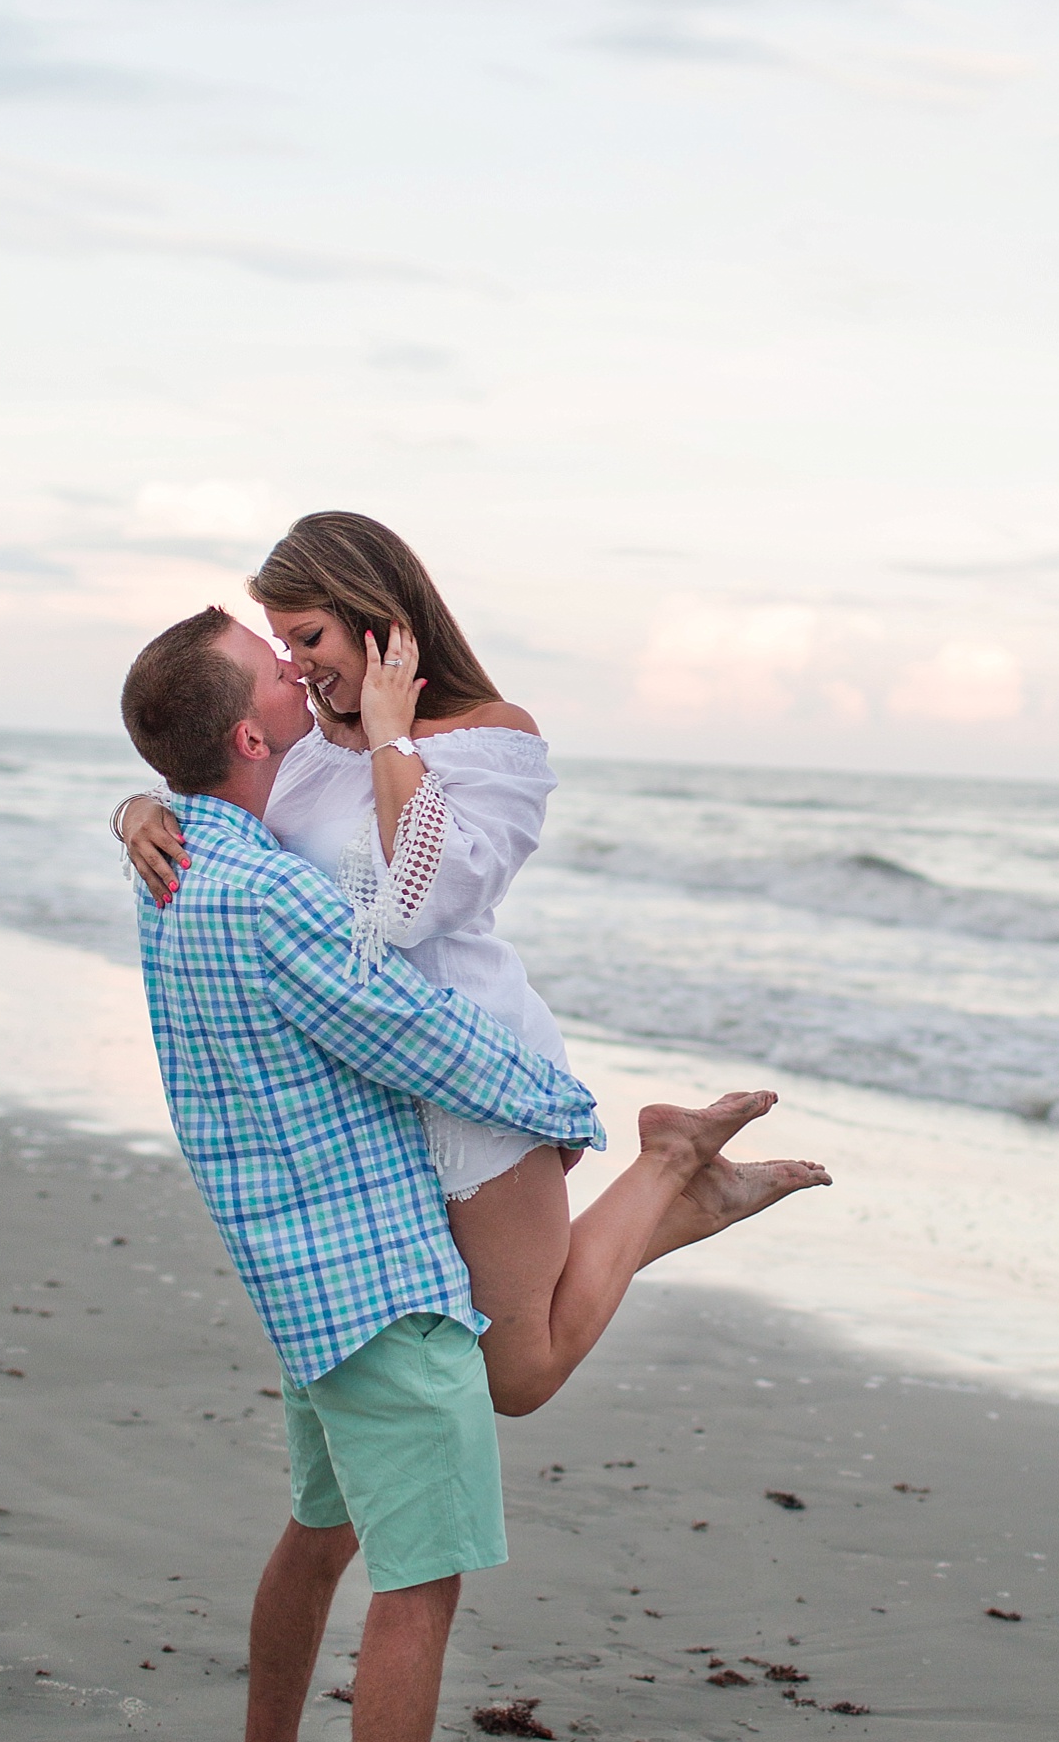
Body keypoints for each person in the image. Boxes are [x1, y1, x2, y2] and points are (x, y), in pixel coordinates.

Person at [119, 602, 806, 1742]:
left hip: (303, 1280)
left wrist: (142, 799)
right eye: (274, 668)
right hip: (375, 1277)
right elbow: (414, 1032)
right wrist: (562, 1111)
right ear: (251, 733)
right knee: (415, 1588)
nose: (293, 667)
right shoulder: (259, 892)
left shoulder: (179, 870)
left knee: (320, 1532)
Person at [117, 511, 829, 1414]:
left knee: (513, 1373)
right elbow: (230, 812)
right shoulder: (302, 747)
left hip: (471, 1075)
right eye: (281, 646)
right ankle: (682, 1187)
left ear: (374, 617)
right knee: (443, 1347)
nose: (295, 665)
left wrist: (388, 736)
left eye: (308, 636)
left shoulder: (493, 740)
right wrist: (141, 807)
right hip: (369, 1091)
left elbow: (420, 905)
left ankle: (665, 1167)